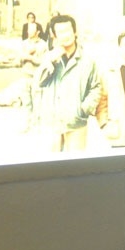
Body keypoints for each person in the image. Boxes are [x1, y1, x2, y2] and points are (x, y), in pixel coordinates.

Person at [34, 14, 102, 151]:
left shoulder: (87, 61)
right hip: (52, 122)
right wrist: (51, 61)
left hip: (76, 121)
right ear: (54, 35)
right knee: (51, 168)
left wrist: (84, 109)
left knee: (75, 166)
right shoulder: (50, 57)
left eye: (68, 30)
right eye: (60, 32)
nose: (65, 35)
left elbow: (96, 87)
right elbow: (39, 82)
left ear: (75, 32)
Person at [19, 13, 45, 130]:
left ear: (37, 32)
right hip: (25, 76)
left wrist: (30, 58)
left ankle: (37, 124)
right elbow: (18, 59)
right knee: (26, 101)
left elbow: (44, 62)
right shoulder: (24, 44)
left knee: (37, 102)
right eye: (28, 30)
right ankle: (27, 124)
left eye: (31, 30)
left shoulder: (43, 45)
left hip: (37, 77)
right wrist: (25, 55)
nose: (29, 32)